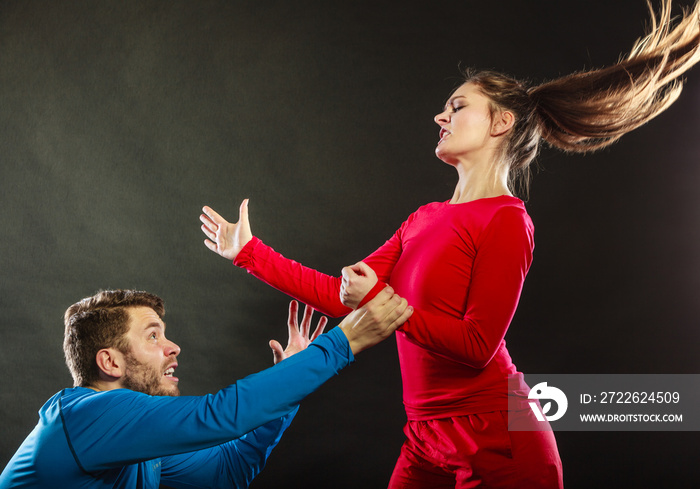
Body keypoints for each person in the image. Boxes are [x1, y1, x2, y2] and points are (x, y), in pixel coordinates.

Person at [199, 1, 700, 487]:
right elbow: (344, 295)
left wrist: (376, 299)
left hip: (498, 440)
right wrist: (248, 253)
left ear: (500, 123)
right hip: (424, 437)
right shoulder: (424, 218)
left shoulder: (506, 221)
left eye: (458, 107)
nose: (441, 117)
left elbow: (478, 347)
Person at [0, 288, 412, 488]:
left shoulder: (132, 445)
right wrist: (344, 342)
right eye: (153, 336)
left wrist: (291, 388)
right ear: (110, 362)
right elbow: (220, 415)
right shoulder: (86, 415)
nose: (173, 346)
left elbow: (227, 471)